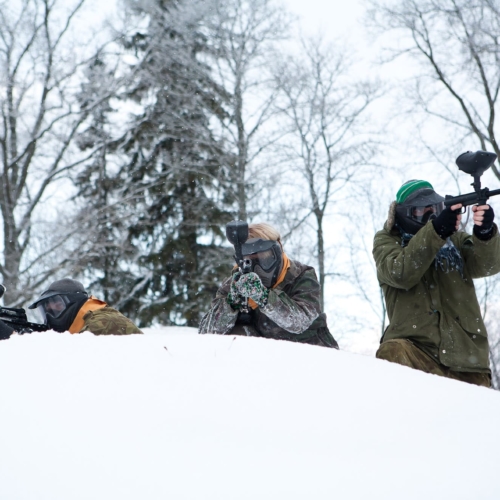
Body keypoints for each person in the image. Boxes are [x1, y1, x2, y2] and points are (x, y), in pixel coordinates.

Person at [373, 180, 500, 387]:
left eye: (435, 209)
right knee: (392, 351)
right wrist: (436, 231)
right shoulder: (387, 242)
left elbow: (487, 266)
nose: (430, 216)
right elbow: (400, 272)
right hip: (416, 352)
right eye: (421, 211)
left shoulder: (456, 240)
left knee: (475, 417)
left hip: (467, 360)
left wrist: (484, 233)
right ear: (402, 214)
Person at [199, 222, 338, 348]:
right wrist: (230, 305)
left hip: (314, 355)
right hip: (267, 362)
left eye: (265, 259)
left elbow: (300, 321)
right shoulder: (235, 284)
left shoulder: (301, 276)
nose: (258, 269)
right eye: (250, 262)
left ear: (279, 250)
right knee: (236, 334)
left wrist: (264, 297)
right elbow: (207, 334)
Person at [26, 278, 143, 336]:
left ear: (74, 303)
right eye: (47, 311)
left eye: (58, 306)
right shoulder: (84, 326)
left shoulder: (103, 322)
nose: (51, 316)